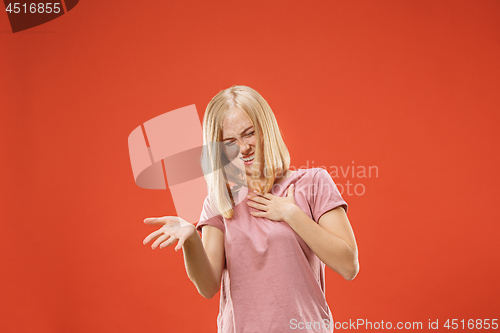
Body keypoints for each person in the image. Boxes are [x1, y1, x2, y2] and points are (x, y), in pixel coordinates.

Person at [143, 85, 359, 333]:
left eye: (249, 133)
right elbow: (208, 286)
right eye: (230, 142)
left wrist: (291, 214)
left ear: (266, 128)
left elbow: (348, 266)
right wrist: (192, 239)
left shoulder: (312, 183)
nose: (243, 148)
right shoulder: (219, 202)